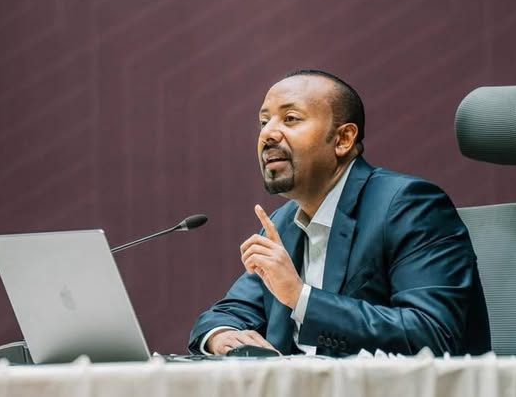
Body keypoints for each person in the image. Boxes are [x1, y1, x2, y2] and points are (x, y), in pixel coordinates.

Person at [188, 69, 490, 357]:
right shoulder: (284, 223)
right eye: (263, 122)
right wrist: (221, 336)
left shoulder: (408, 206)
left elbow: (431, 334)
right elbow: (226, 314)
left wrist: (301, 298)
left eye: (290, 119)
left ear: (343, 139)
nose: (267, 134)